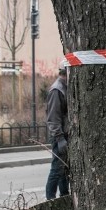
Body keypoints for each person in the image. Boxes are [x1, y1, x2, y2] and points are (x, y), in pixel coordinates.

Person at [46, 65, 69, 199]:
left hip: (63, 135)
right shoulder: (57, 90)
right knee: (56, 170)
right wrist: (60, 138)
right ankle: (50, 200)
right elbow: (53, 118)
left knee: (63, 169)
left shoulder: (63, 87)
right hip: (59, 137)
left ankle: (64, 197)